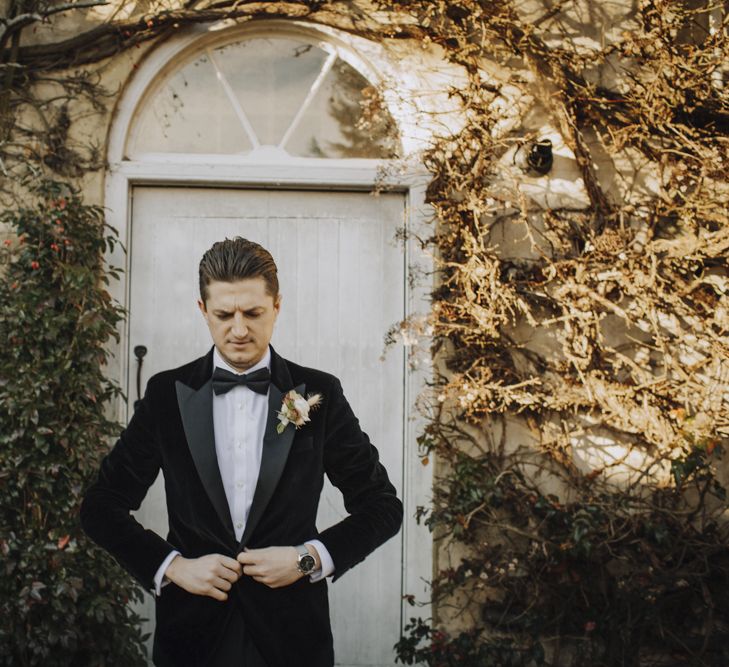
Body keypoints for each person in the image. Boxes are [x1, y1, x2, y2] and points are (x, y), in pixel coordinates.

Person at [80, 237, 403, 667]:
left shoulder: (319, 392)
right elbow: (101, 506)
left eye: (253, 313)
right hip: (192, 639)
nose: (238, 329)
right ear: (202, 310)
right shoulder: (165, 395)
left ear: (277, 306)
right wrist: (173, 566)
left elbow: (381, 506)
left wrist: (307, 558)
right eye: (223, 314)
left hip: (292, 640)